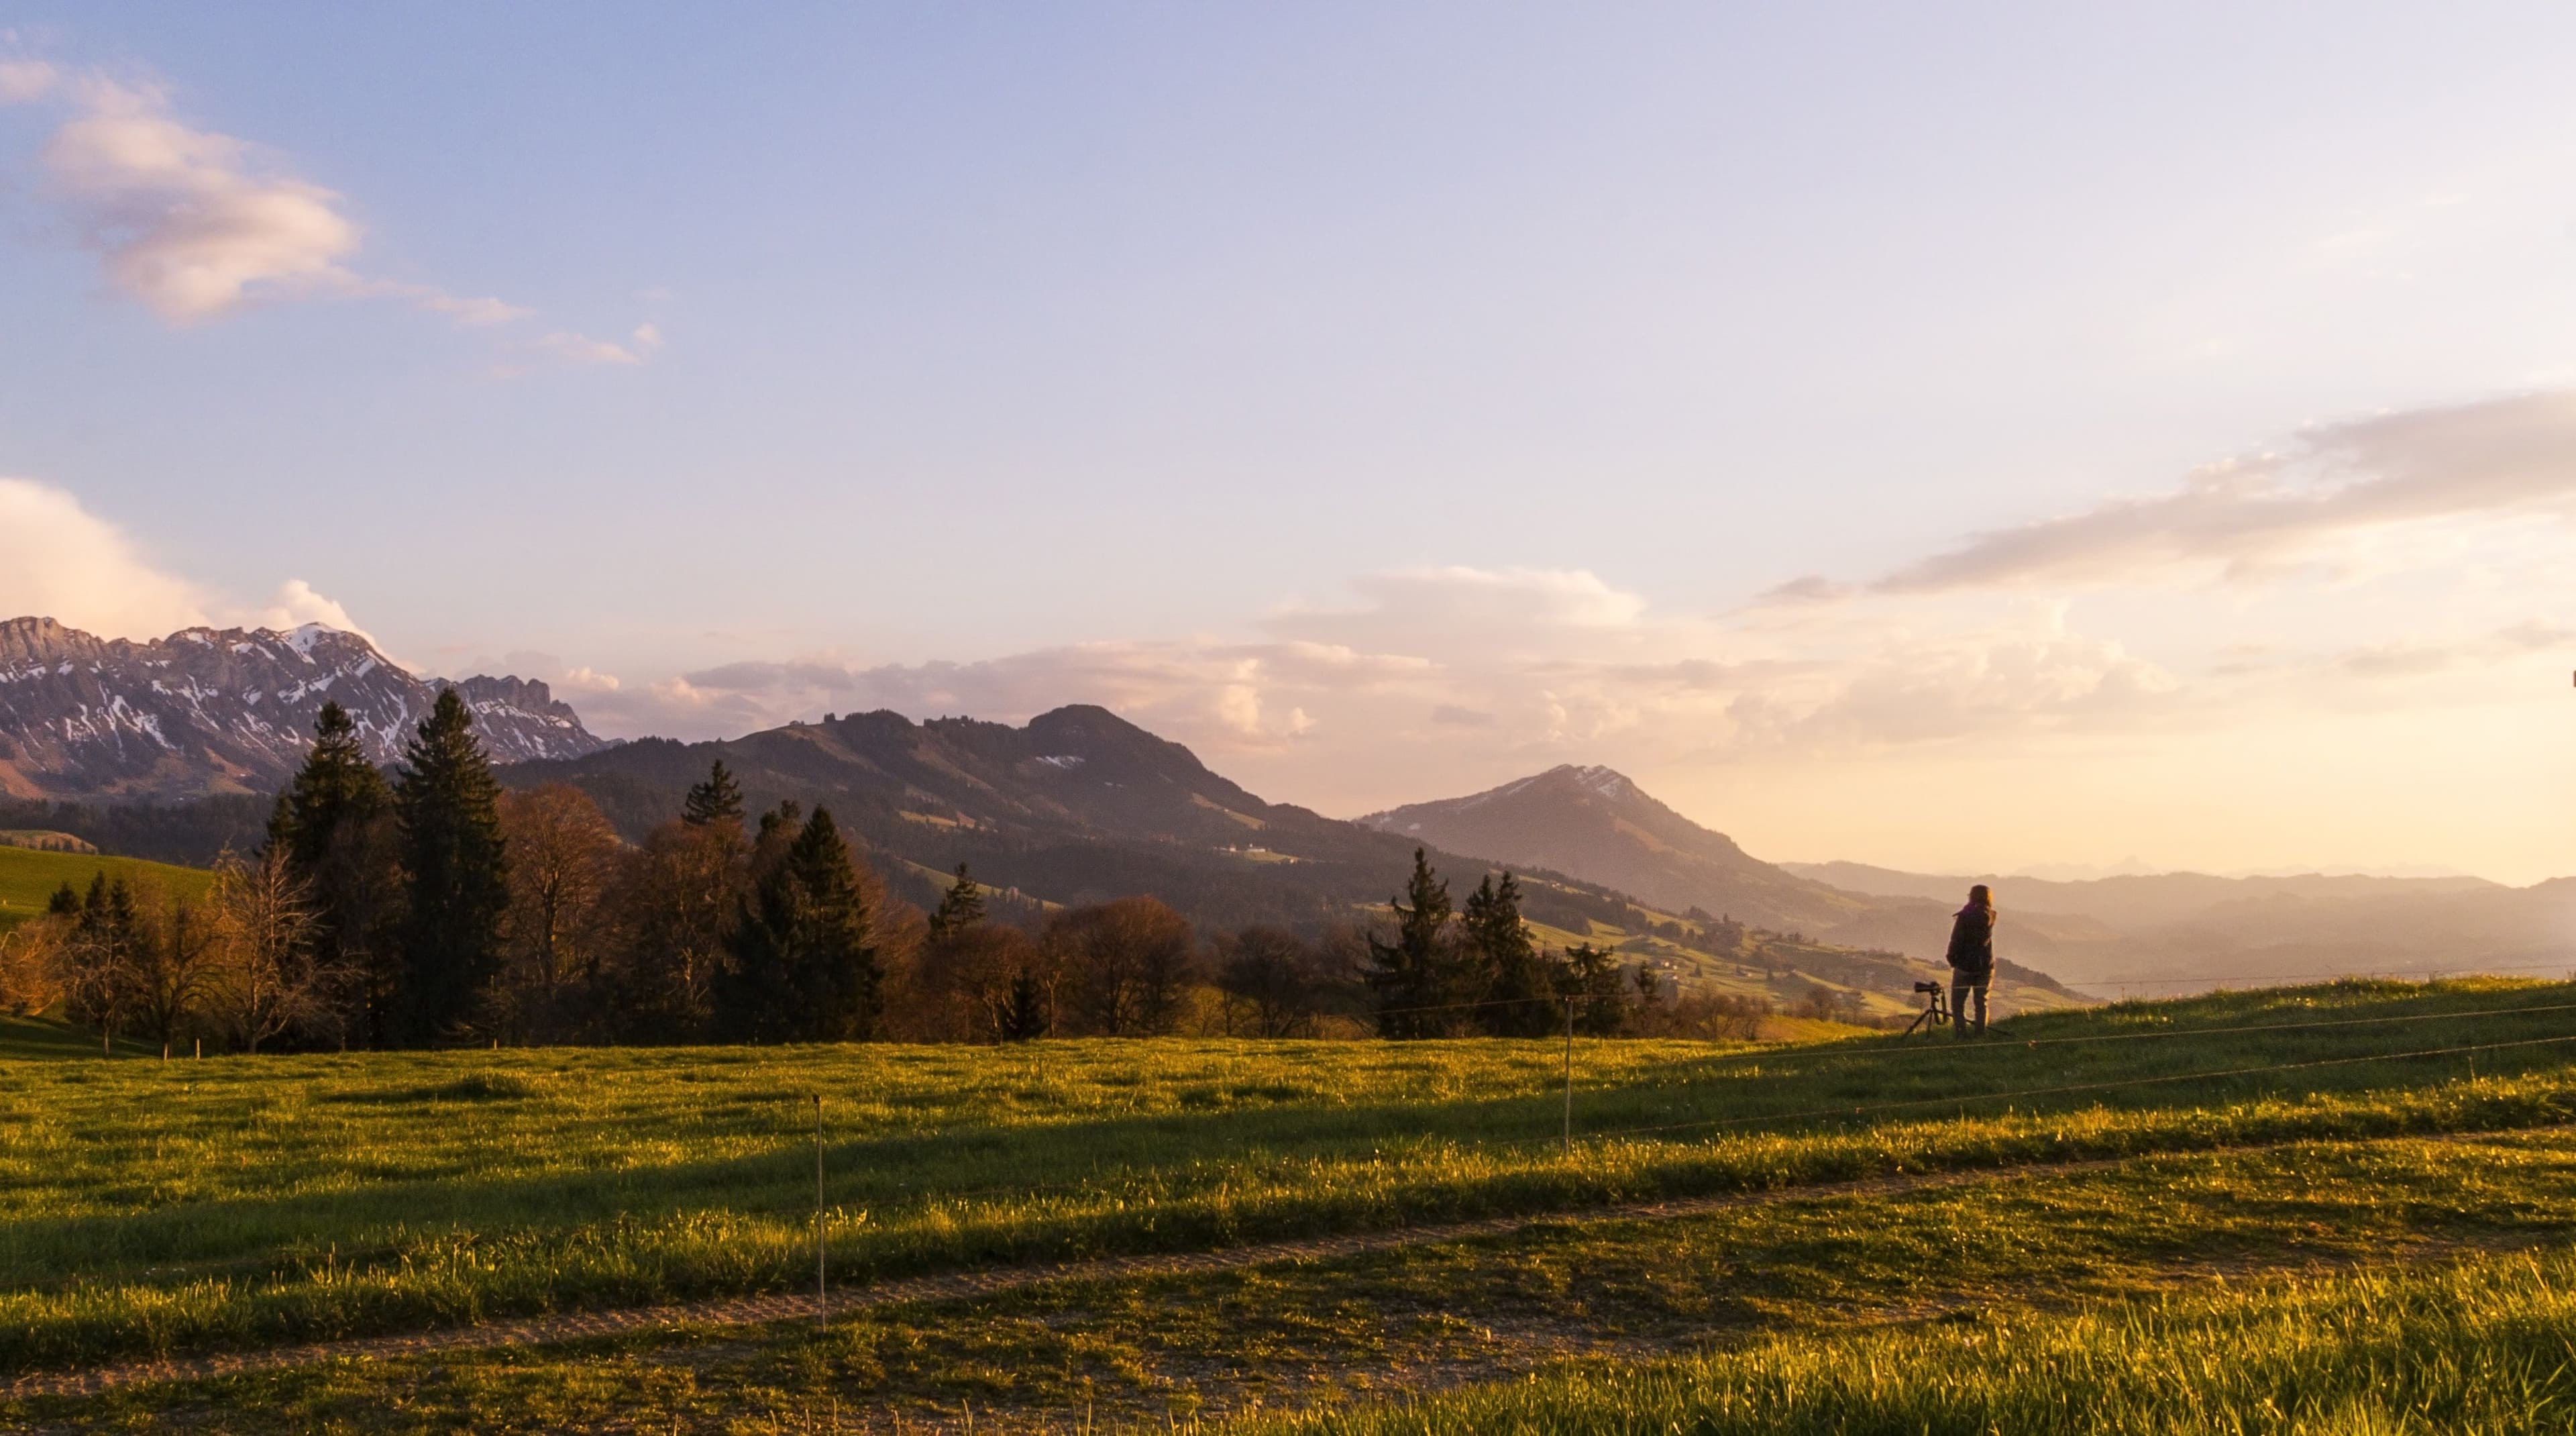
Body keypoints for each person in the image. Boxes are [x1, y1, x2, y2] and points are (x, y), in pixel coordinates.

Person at [1945, 884, 1996, 1037]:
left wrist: (1952, 959)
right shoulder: (1991, 916)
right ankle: (1980, 1034)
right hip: (1985, 965)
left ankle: (1961, 1034)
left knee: (1957, 1003)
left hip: (1965, 966)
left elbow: (1956, 940)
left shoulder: (1965, 916)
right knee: (1981, 1003)